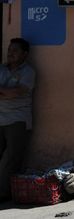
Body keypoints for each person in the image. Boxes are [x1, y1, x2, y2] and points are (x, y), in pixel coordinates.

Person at [0, 38, 35, 202]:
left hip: (18, 120)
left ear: (25, 53)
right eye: (9, 50)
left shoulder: (29, 72)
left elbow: (17, 93)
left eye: (15, 50)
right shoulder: (2, 69)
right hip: (1, 119)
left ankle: (5, 193)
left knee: (13, 159)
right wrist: (6, 92)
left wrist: (8, 93)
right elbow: (10, 93)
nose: (10, 53)